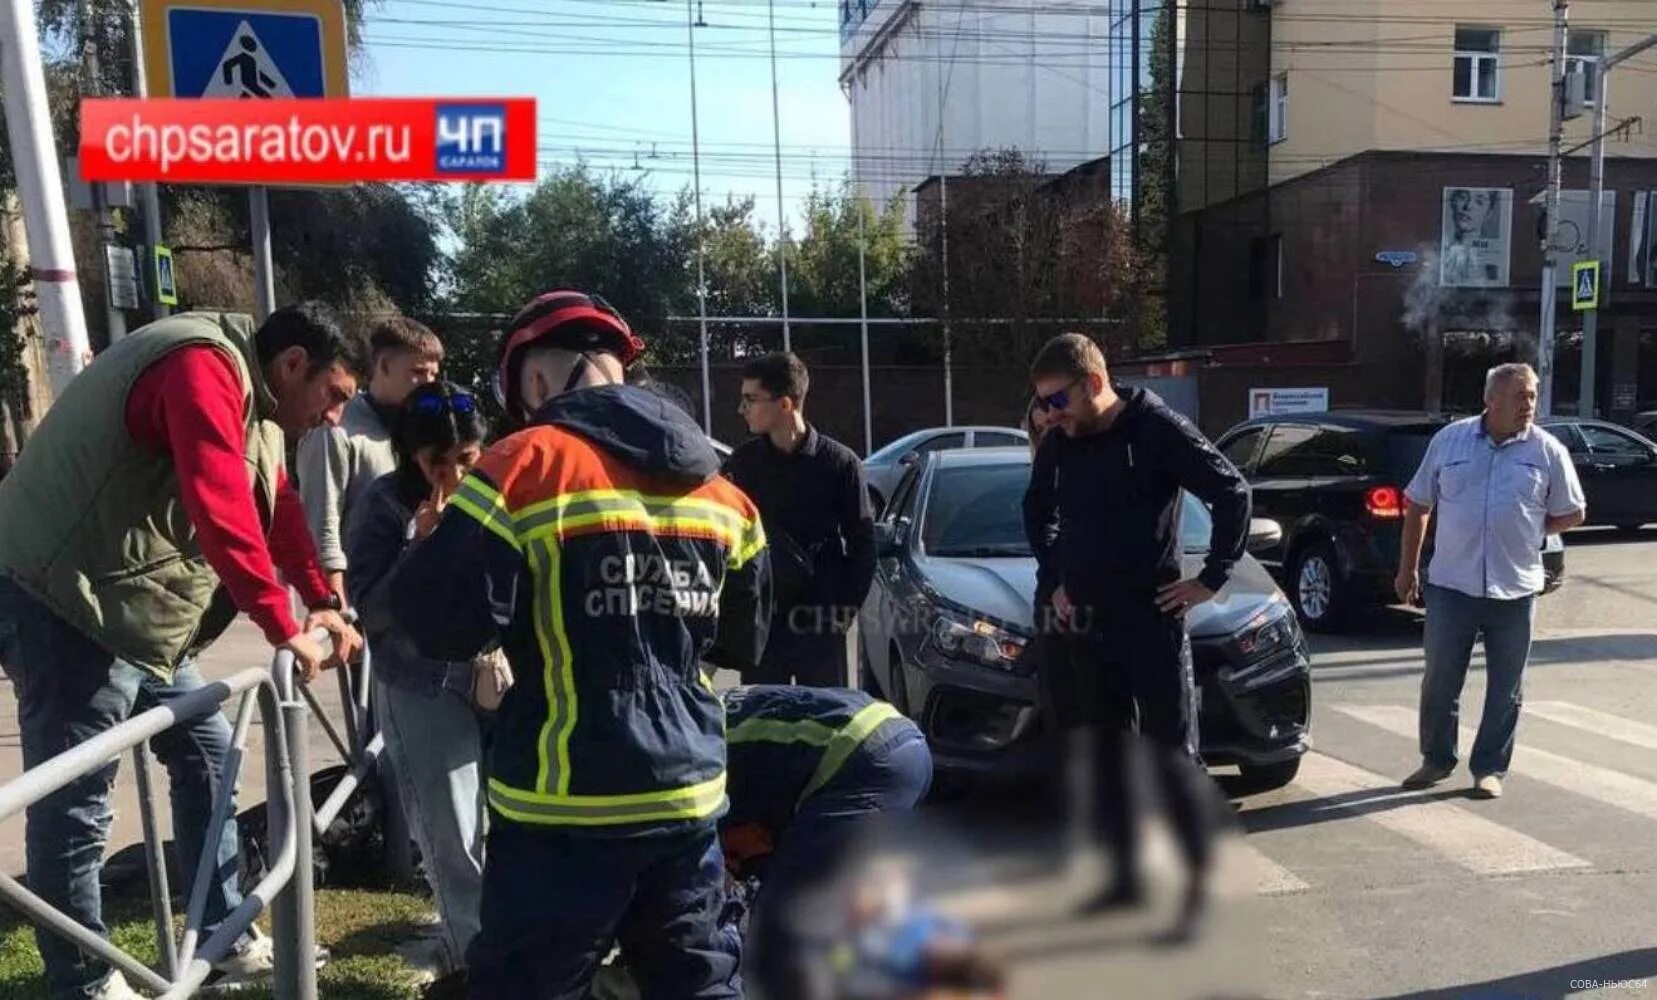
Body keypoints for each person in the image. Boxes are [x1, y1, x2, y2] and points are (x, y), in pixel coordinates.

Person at [388, 289, 771, 999]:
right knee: (696, 985)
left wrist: (424, 544)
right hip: (687, 795)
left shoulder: (522, 464)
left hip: (562, 809)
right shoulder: (725, 492)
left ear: (534, 381)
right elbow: (746, 636)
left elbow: (438, 620)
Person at [0, 304, 363, 999]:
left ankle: (222, 934)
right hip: (61, 599)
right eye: (334, 396)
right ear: (292, 366)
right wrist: (279, 623)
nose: (334, 416)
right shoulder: (200, 368)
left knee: (208, 755)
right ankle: (83, 980)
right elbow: (217, 500)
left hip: (129, 615)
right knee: (77, 796)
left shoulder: (259, 408)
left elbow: (274, 502)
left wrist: (318, 597)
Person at [1021, 332, 1249, 941]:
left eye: (1058, 400)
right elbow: (1036, 511)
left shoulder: (1156, 429)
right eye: (1042, 404)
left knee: (1172, 752)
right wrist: (1058, 579)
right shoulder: (1061, 443)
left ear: (1095, 382)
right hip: (1084, 623)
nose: (1050, 415)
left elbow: (1232, 491)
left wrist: (1213, 578)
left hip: (1150, 619)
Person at [344, 380, 499, 973]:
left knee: (501, 824)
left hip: (491, 678)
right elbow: (370, 607)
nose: (454, 477)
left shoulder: (494, 494)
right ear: (412, 455)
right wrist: (420, 547)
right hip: (419, 684)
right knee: (453, 833)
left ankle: (493, 939)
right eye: (439, 462)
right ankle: (471, 964)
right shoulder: (386, 504)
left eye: (467, 459)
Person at [1396, 363, 1586, 799]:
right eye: (1520, 396)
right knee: (1441, 679)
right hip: (1450, 584)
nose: (1529, 405)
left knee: (1507, 686)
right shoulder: (1450, 441)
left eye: (1533, 396)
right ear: (1492, 400)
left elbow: (1574, 511)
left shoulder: (1546, 450)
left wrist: (1532, 528)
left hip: (1516, 588)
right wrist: (1406, 569)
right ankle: (1436, 759)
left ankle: (1489, 769)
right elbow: (1418, 504)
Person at [720, 684, 932, 999]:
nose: (733, 867)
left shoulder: (682, 749)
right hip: (897, 745)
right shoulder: (685, 716)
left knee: (780, 926)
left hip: (863, 762)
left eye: (733, 855)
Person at [723, 352, 875, 687]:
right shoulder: (741, 465)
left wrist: (842, 614)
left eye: (751, 398)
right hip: (765, 625)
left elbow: (864, 545)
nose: (741, 408)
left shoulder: (840, 464)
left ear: (786, 404)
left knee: (825, 726)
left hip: (820, 625)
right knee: (762, 727)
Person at [296, 315, 443, 600]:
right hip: (359, 604)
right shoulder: (334, 430)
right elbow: (320, 528)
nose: (429, 384)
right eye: (418, 372)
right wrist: (334, 606)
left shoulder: (416, 433)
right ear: (384, 366)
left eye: (434, 375)